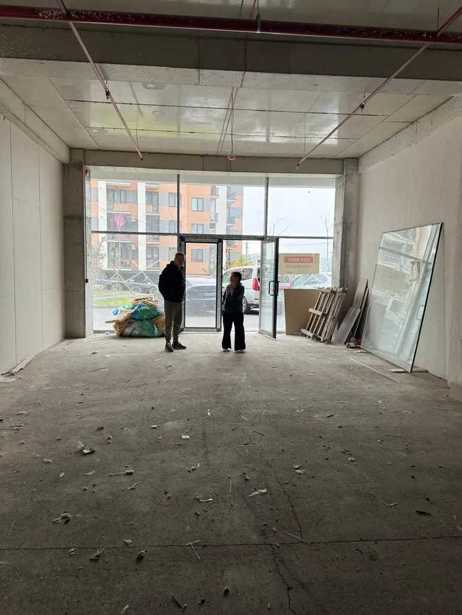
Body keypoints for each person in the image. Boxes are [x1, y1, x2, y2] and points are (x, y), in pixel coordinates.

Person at [158, 252, 186, 352]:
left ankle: (175, 342)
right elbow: (161, 285)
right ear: (175, 259)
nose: (182, 262)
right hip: (170, 301)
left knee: (178, 322)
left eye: (183, 260)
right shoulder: (168, 270)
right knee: (169, 323)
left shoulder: (180, 269)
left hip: (179, 301)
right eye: (180, 260)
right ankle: (168, 343)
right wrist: (167, 296)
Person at [222, 271, 246, 353]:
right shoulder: (228, 287)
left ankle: (239, 347)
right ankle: (226, 346)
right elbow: (225, 298)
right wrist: (223, 308)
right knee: (226, 330)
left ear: (237, 278)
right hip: (227, 311)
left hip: (237, 311)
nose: (231, 277)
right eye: (231, 276)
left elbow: (238, 299)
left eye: (232, 276)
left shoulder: (241, 288)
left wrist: (233, 289)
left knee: (239, 329)